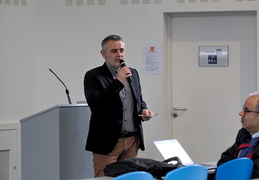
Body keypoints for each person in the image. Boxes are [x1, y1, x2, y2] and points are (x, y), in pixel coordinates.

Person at [83, 35, 154, 177]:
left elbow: (138, 98)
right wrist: (118, 81)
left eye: (121, 50)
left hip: (132, 140)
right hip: (107, 142)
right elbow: (96, 104)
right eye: (114, 51)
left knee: (130, 178)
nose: (119, 54)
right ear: (104, 54)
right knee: (105, 179)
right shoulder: (93, 76)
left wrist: (144, 110)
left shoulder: (132, 72)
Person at [217, 92, 259, 178]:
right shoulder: (244, 134)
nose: (241, 113)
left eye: (246, 110)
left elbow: (255, 174)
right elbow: (224, 160)